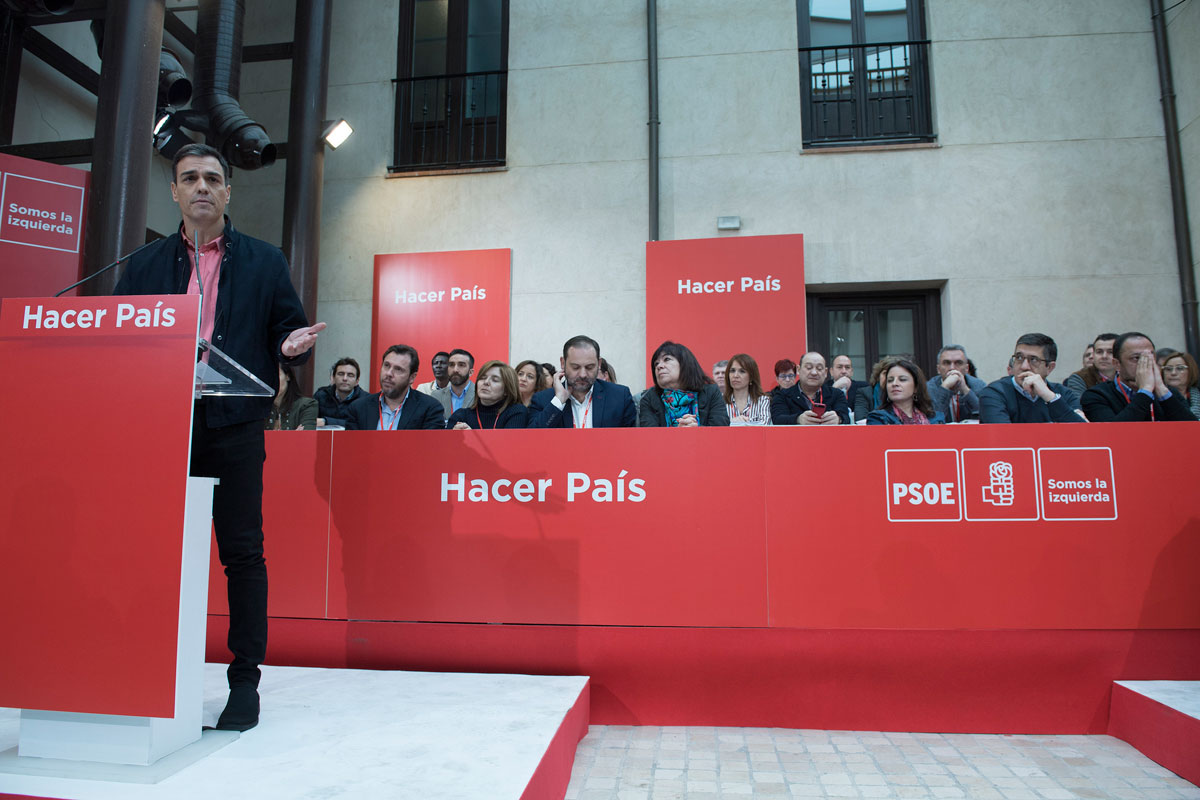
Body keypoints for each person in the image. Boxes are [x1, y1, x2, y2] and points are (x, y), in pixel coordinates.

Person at [114, 142, 325, 732]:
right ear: (175, 192)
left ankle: (244, 682)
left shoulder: (264, 261)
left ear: (228, 191)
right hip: (163, 426)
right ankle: (148, 666)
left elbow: (288, 329)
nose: (201, 187)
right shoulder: (144, 263)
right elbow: (120, 334)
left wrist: (289, 347)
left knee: (241, 553)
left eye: (212, 178)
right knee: (153, 550)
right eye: (190, 179)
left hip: (232, 424)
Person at [1080, 332, 1198, 422]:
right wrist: (1145, 391)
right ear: (1117, 364)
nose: (1145, 363)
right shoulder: (1097, 395)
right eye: (1136, 358)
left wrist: (1162, 390)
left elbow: (1193, 432)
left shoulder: (1168, 394)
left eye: (1150, 357)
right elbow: (1114, 434)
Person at [528, 335, 638, 428]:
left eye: (589, 367)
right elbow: (533, 439)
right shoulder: (544, 400)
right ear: (563, 363)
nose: (583, 374)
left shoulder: (619, 397)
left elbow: (631, 442)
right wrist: (559, 401)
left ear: (599, 364)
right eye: (575, 367)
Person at [979, 334, 1084, 423]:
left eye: (1033, 359)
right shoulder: (994, 393)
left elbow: (1083, 434)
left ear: (1049, 367)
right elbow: (1003, 437)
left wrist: (1049, 397)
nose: (1024, 366)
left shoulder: (1063, 394)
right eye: (1019, 358)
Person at [347, 344, 444, 430]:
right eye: (386, 365)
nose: (389, 373)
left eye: (398, 369)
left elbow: (429, 449)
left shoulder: (429, 409)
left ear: (412, 377)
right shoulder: (358, 408)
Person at [639, 341, 730, 427]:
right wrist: (678, 433)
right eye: (656, 364)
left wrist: (695, 429)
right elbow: (649, 437)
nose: (659, 366)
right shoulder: (649, 398)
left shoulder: (711, 392)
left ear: (685, 363)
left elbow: (720, 430)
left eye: (667, 359)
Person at [771, 351, 849, 425]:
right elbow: (777, 419)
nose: (814, 373)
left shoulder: (837, 394)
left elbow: (846, 418)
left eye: (819, 368)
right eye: (809, 368)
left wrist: (839, 419)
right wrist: (797, 419)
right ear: (798, 370)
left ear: (825, 373)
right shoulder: (782, 395)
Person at [448, 360, 529, 429]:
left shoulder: (517, 412)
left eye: (495, 380)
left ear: (507, 390)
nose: (486, 382)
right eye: (482, 378)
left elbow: (508, 445)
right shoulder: (460, 415)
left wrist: (470, 437)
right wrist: (455, 437)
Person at [867, 358, 944, 424]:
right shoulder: (878, 418)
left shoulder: (936, 418)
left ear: (916, 387)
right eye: (890, 380)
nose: (894, 384)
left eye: (902, 379)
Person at [927, 344, 985, 422]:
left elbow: (984, 416)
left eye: (958, 363)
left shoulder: (979, 386)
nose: (952, 368)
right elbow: (933, 420)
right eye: (946, 363)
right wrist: (944, 388)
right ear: (938, 369)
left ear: (966, 368)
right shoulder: (928, 389)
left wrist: (965, 390)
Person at [313, 357, 364, 428]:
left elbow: (360, 425)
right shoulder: (321, 395)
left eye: (350, 375)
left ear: (357, 381)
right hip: (323, 438)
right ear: (333, 378)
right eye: (341, 374)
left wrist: (326, 421)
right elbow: (310, 421)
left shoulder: (365, 400)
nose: (345, 378)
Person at [723, 353, 772, 426]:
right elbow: (716, 426)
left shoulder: (762, 400)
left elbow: (764, 425)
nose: (735, 375)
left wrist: (734, 424)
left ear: (751, 377)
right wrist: (732, 421)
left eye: (742, 371)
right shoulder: (720, 401)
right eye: (732, 371)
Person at [267, 364, 318, 430]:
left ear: (287, 376)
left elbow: (306, 437)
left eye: (277, 375)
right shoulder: (258, 407)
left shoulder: (307, 405)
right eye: (267, 376)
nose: (272, 381)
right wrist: (293, 436)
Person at [429, 348, 475, 420]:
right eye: (451, 365)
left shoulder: (480, 395)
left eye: (461, 365)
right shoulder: (436, 396)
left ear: (471, 372)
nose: (455, 370)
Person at [1158, 350, 1200, 419]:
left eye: (1180, 368)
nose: (1173, 373)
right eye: (1168, 369)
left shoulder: (1197, 393)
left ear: (1191, 371)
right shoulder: (1157, 397)